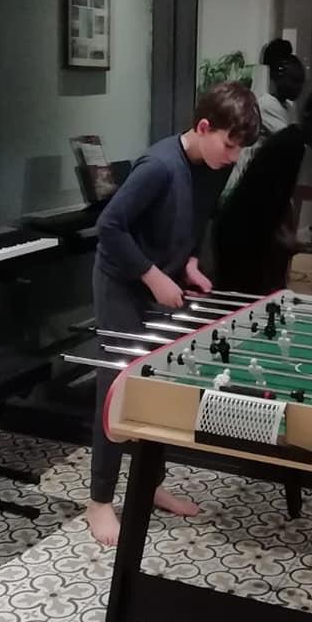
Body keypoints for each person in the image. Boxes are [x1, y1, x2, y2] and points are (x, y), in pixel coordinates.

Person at [87, 80, 261, 546]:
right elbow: (110, 227)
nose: (233, 156)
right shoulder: (159, 167)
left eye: (240, 149)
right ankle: (99, 501)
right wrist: (152, 276)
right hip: (122, 282)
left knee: (160, 383)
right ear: (203, 127)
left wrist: (188, 263)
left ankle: (150, 483)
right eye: (229, 144)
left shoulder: (216, 166)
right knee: (117, 387)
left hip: (162, 278)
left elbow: (197, 218)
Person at [213, 86, 312, 295]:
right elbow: (266, 200)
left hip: (241, 230)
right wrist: (282, 237)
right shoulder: (290, 146)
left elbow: (277, 198)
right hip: (242, 235)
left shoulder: (291, 141)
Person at [221, 39, 307, 200]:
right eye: (294, 81)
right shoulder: (266, 105)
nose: (298, 88)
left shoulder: (288, 106)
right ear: (277, 78)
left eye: (301, 83)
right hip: (244, 185)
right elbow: (293, 141)